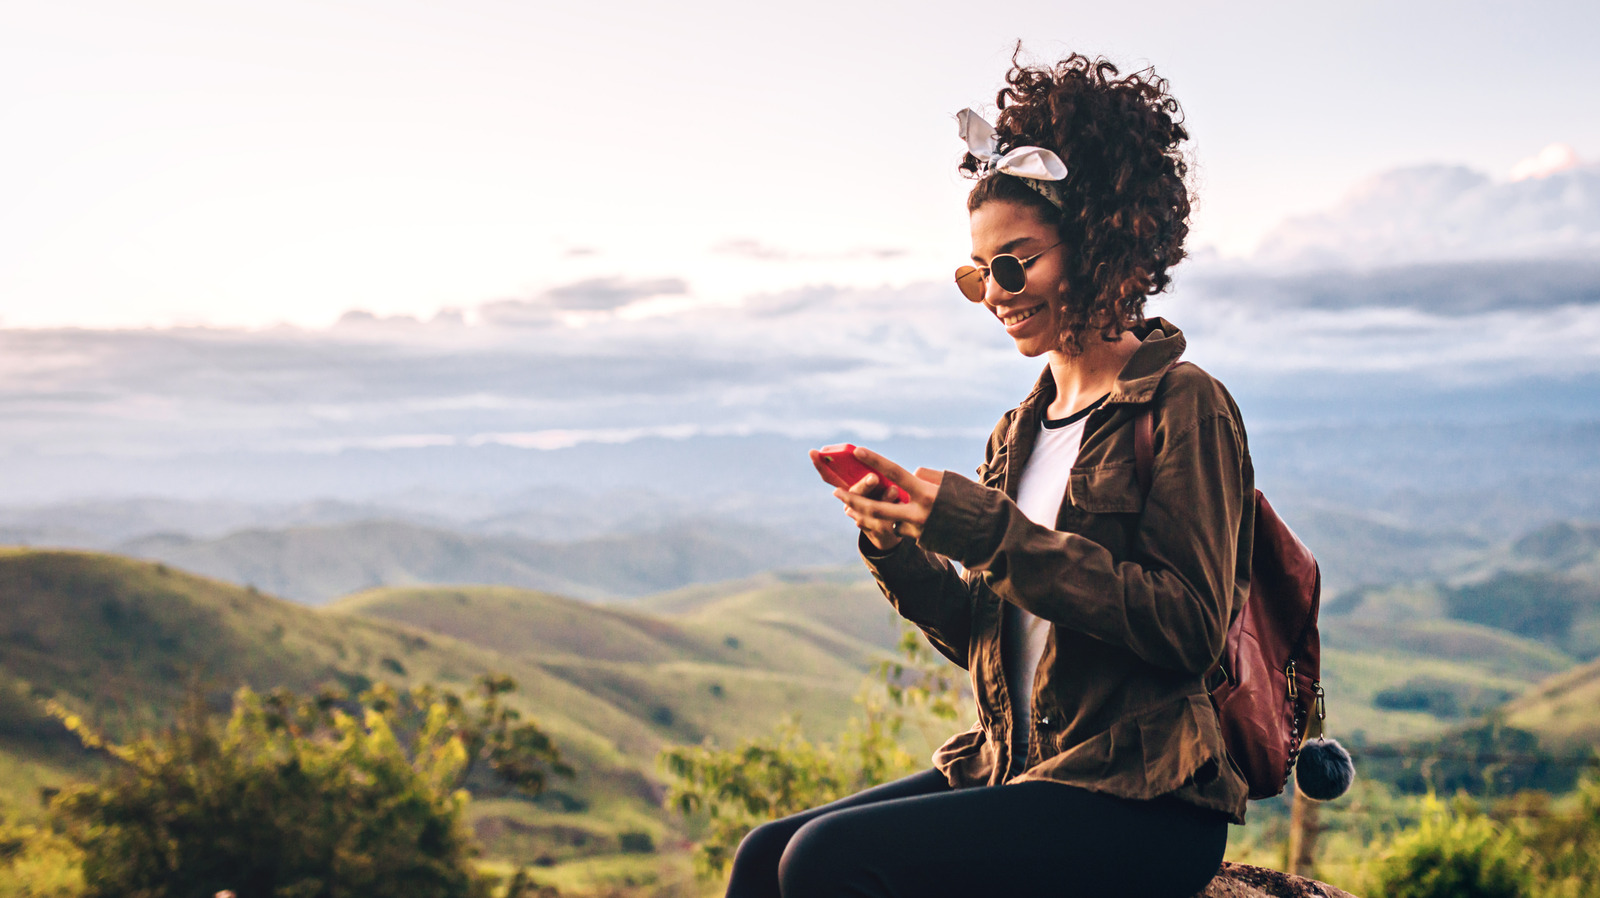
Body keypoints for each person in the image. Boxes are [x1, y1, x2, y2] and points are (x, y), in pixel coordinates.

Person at [724, 52, 1256, 898]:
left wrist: (985, 529)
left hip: (1140, 797)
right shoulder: (1019, 431)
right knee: (764, 854)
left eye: (1016, 263)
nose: (996, 293)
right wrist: (898, 545)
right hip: (1018, 769)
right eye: (979, 273)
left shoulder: (1184, 406)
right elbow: (988, 635)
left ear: (1099, 241)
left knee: (825, 864)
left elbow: (1189, 625)